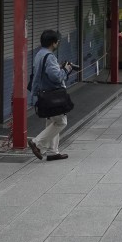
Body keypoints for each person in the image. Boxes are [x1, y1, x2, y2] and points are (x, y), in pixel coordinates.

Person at [28, 29, 75, 161]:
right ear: (53, 43)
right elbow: (56, 77)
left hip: (43, 94)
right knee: (61, 122)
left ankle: (52, 152)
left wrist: (58, 67)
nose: (58, 43)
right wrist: (66, 69)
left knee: (52, 122)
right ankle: (37, 143)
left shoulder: (39, 54)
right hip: (52, 95)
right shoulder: (49, 57)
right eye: (57, 41)